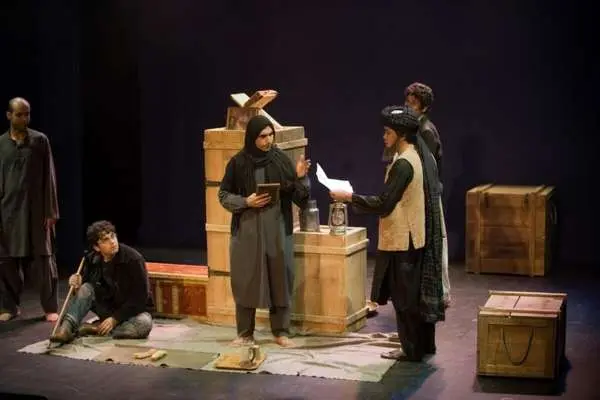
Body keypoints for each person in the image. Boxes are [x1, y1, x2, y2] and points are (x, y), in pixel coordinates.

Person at [330, 105, 445, 361]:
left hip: (404, 240)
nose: (384, 137)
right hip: (412, 236)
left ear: (401, 134)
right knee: (410, 296)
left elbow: (384, 203)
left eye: (388, 132)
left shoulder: (404, 164)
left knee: (405, 299)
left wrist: (349, 197)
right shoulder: (415, 155)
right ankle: (422, 346)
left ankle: (411, 349)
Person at [219, 115, 310, 348]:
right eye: (262, 136)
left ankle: (281, 331)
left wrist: (301, 178)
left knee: (280, 278)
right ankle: (244, 333)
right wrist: (246, 201)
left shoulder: (281, 160)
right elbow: (224, 195)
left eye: (270, 135)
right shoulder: (238, 163)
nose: (268, 140)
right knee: (246, 278)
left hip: (277, 230)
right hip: (247, 231)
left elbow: (300, 198)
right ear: (252, 137)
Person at [0, 97, 59, 322]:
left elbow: (49, 175)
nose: (24, 118)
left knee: (43, 259)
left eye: (27, 114)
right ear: (9, 115)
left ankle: (49, 307)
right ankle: (10, 306)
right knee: (6, 261)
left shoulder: (39, 140)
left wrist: (51, 210)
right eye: (19, 114)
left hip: (36, 211)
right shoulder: (1, 144)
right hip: (8, 212)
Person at [50, 221, 154, 343]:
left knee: (144, 323)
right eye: (106, 240)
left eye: (113, 236)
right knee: (86, 288)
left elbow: (140, 298)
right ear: (96, 247)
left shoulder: (134, 259)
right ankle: (66, 329)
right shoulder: (91, 259)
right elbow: (86, 293)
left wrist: (115, 319)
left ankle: (96, 329)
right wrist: (76, 285)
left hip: (130, 312)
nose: (112, 242)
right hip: (106, 308)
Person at [404, 82, 450, 307]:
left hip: (429, 194)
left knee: (436, 242)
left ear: (423, 107)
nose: (408, 107)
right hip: (421, 193)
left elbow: (429, 169)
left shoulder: (426, 131)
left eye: (412, 104)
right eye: (407, 103)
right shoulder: (416, 128)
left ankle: (442, 293)